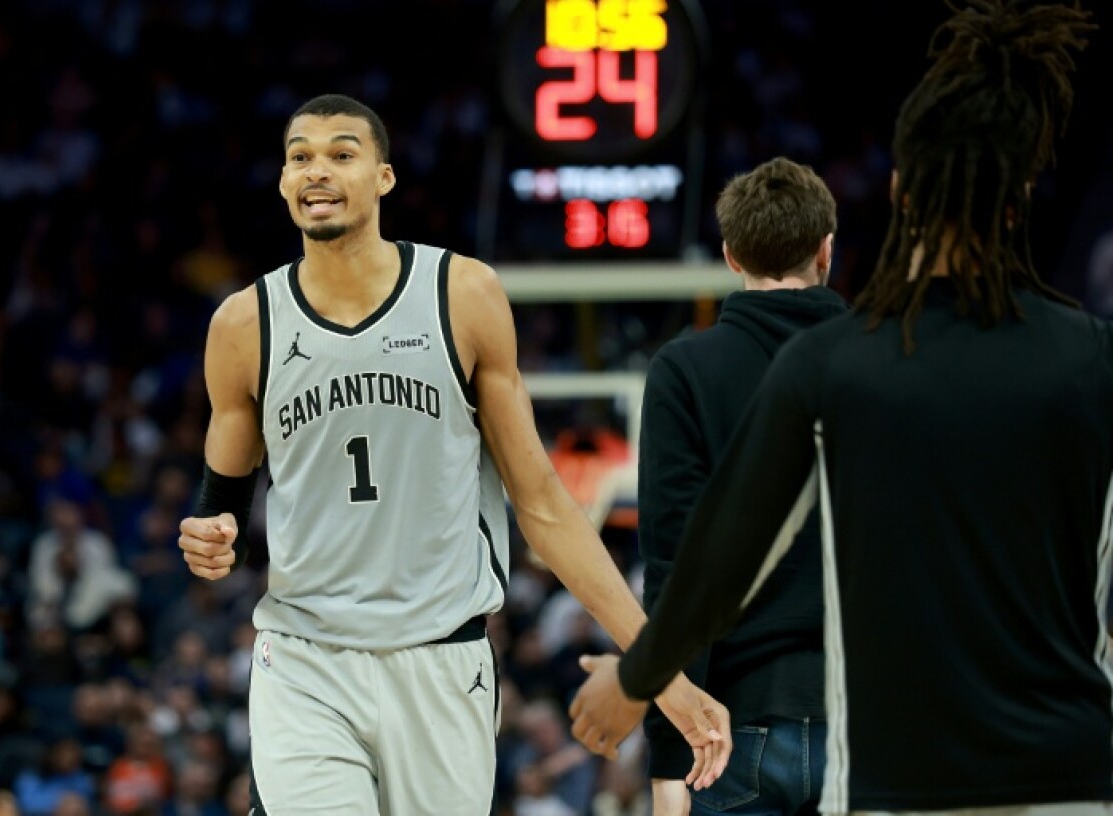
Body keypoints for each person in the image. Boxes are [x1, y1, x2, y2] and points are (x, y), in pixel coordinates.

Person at [568, 1, 1113, 814]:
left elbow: (717, 560)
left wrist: (636, 678)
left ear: (898, 191)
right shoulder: (1093, 356)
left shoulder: (836, 363)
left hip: (900, 778)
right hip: (1073, 772)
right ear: (1019, 198)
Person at [175, 93, 730, 815]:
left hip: (443, 660)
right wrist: (206, 538)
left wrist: (659, 666)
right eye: (300, 157)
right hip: (306, 659)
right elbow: (219, 504)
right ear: (282, 182)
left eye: (342, 154)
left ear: (384, 177)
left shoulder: (462, 293)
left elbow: (543, 505)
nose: (318, 170)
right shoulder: (244, 324)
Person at [639, 157, 846, 816]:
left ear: (730, 256)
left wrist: (669, 757)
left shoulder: (684, 370)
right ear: (826, 249)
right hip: (872, 721)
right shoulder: (890, 360)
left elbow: (675, 569)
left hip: (728, 729)